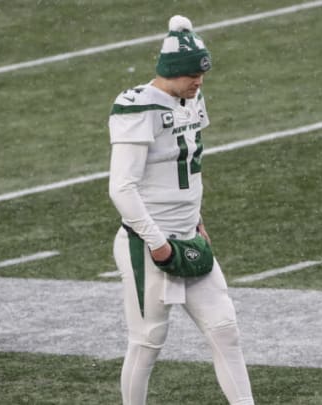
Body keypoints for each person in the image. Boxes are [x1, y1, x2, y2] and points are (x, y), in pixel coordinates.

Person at [108, 15, 255, 405]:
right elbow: (121, 188)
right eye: (192, 73)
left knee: (225, 329)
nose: (199, 80)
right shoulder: (137, 106)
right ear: (172, 71)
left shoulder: (191, 99)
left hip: (188, 235)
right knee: (147, 341)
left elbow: (189, 170)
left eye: (202, 73)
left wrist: (196, 220)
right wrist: (157, 243)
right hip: (147, 243)